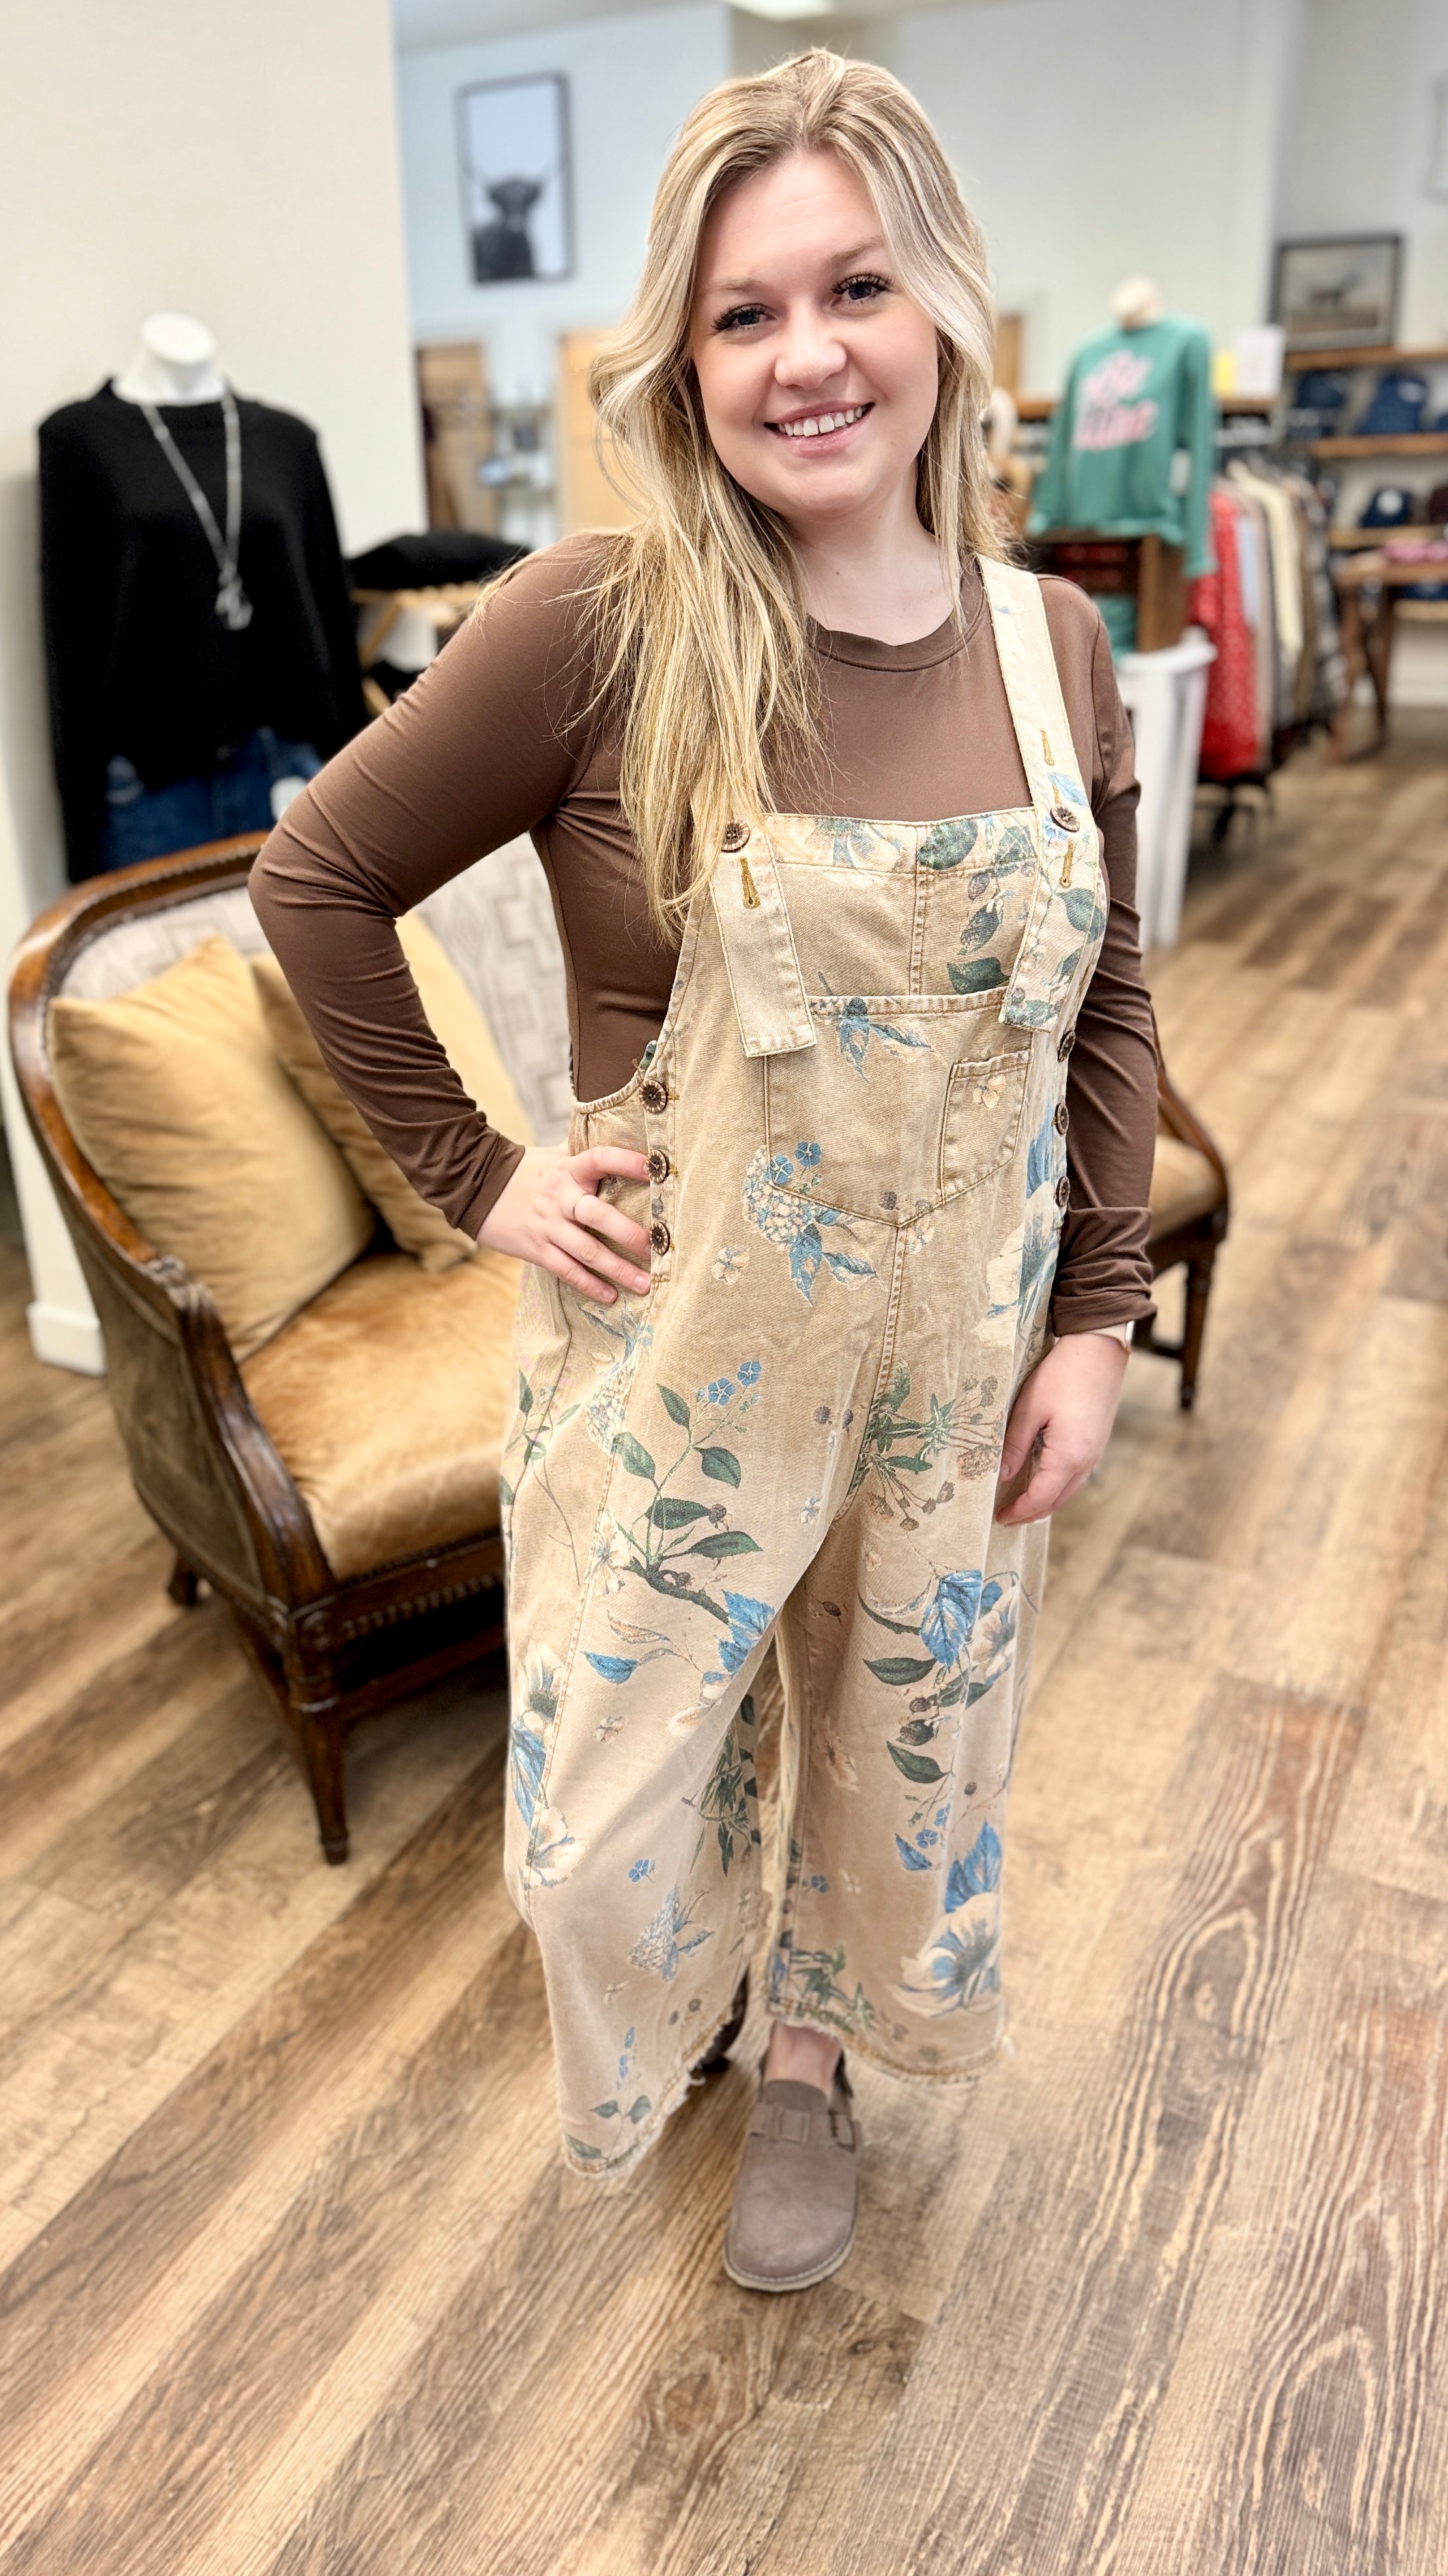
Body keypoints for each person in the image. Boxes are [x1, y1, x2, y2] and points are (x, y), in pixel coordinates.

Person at [250, 47, 1157, 2294]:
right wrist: (473, 1174)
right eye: (742, 312)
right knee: (600, 1825)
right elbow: (313, 881)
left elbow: (1109, 998)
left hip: (956, 1355)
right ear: (681, 357)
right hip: (683, 1350)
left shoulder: (1051, 645)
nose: (803, 356)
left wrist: (1095, 1314)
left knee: (890, 1740)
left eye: (853, 288)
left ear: (942, 307)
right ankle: (686, 2011)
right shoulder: (600, 623)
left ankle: (809, 2059)